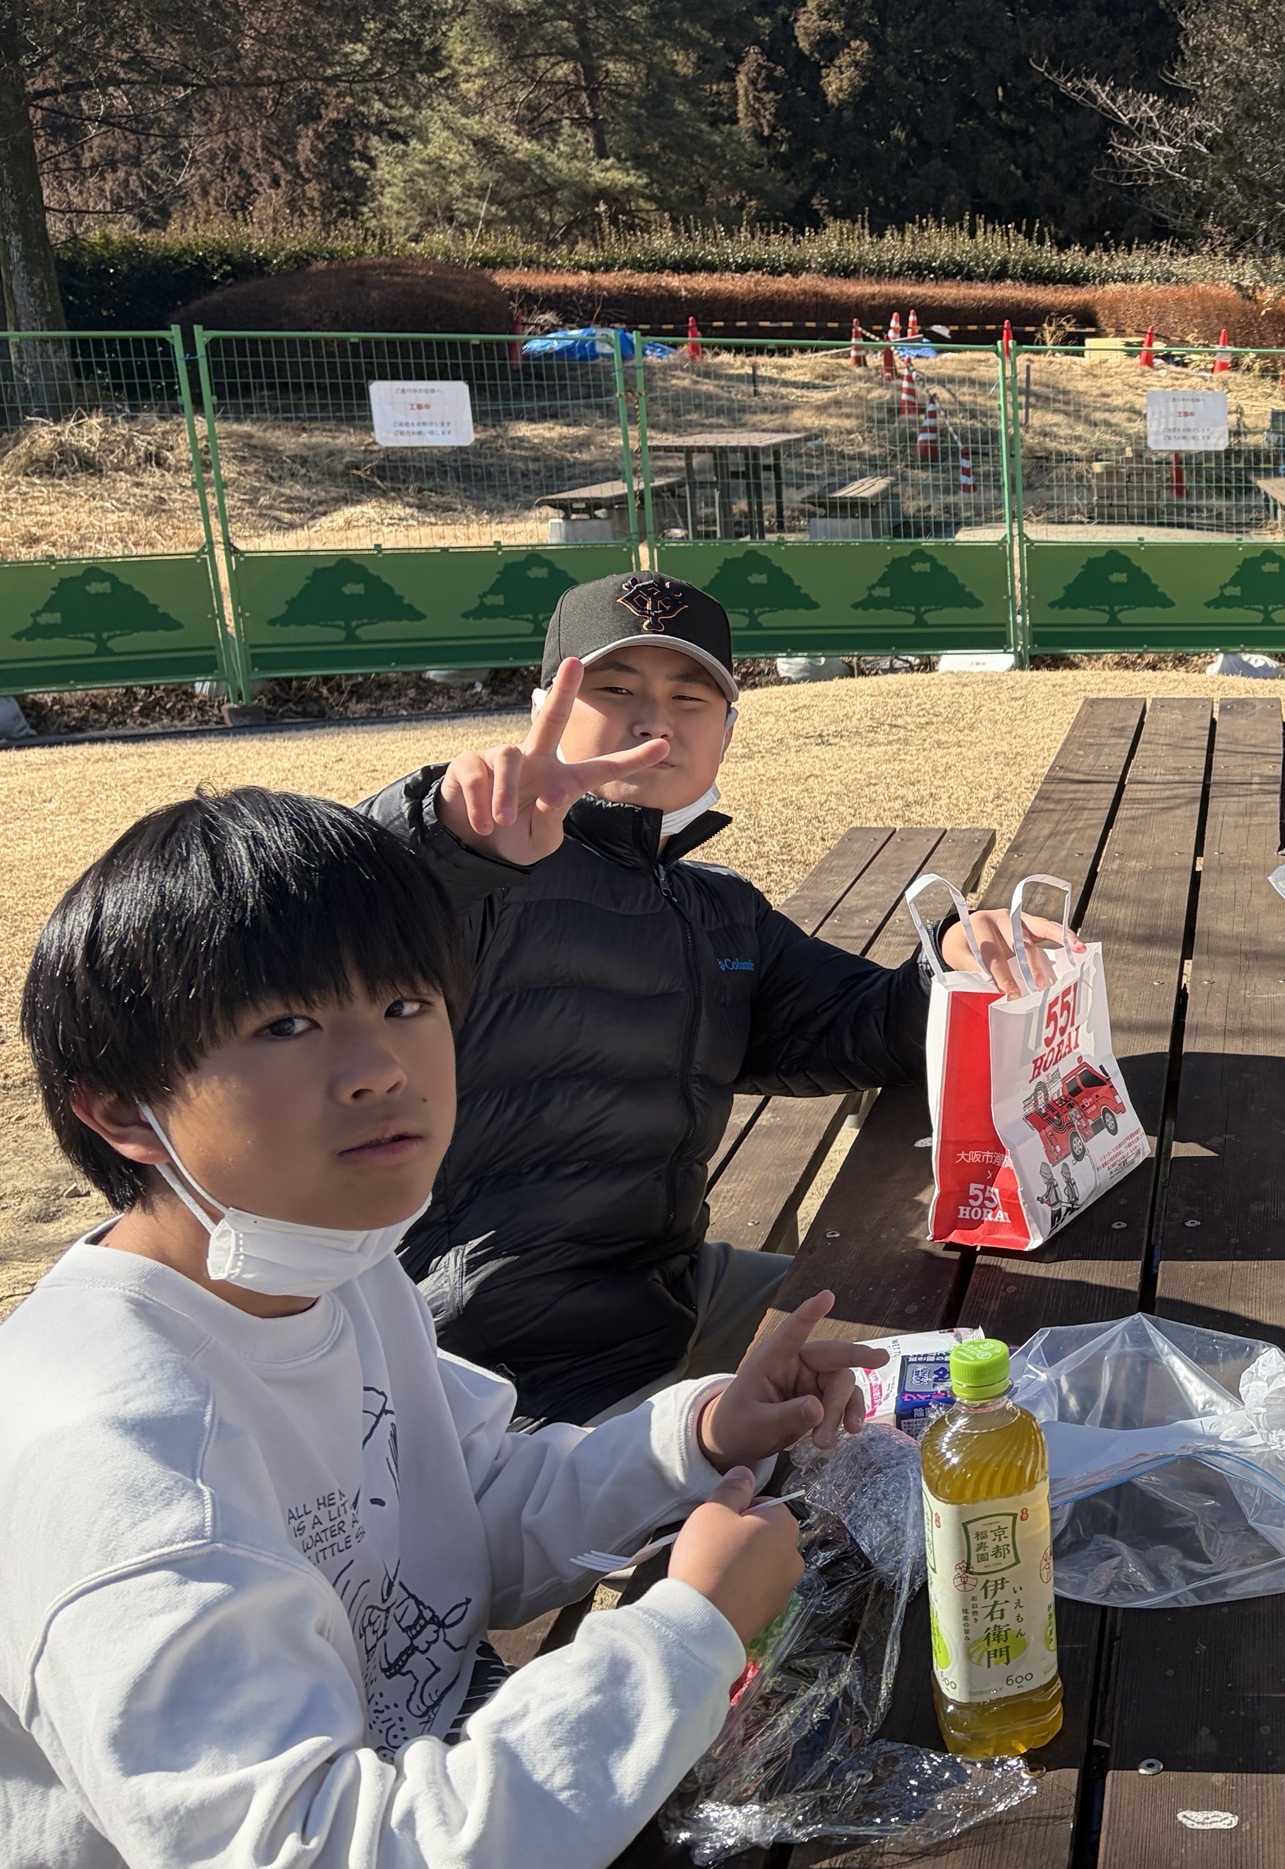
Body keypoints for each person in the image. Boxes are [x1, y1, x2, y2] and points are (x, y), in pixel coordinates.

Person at [0, 787, 881, 1869]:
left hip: (450, 1793)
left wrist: (702, 1434)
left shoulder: (335, 1268)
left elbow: (462, 1515)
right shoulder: (130, 1467)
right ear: (122, 1110)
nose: (377, 1068)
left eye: (406, 1002)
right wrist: (687, 1631)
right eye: (284, 1026)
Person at [366, 573, 926, 1425]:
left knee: (945, 1314)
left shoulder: (713, 905)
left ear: (728, 731)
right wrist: (441, 833)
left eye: (690, 697)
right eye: (615, 688)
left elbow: (852, 1027)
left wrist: (952, 968)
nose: (654, 721)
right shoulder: (478, 872)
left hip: (667, 1288)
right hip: (498, 1363)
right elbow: (314, 916)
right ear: (544, 706)